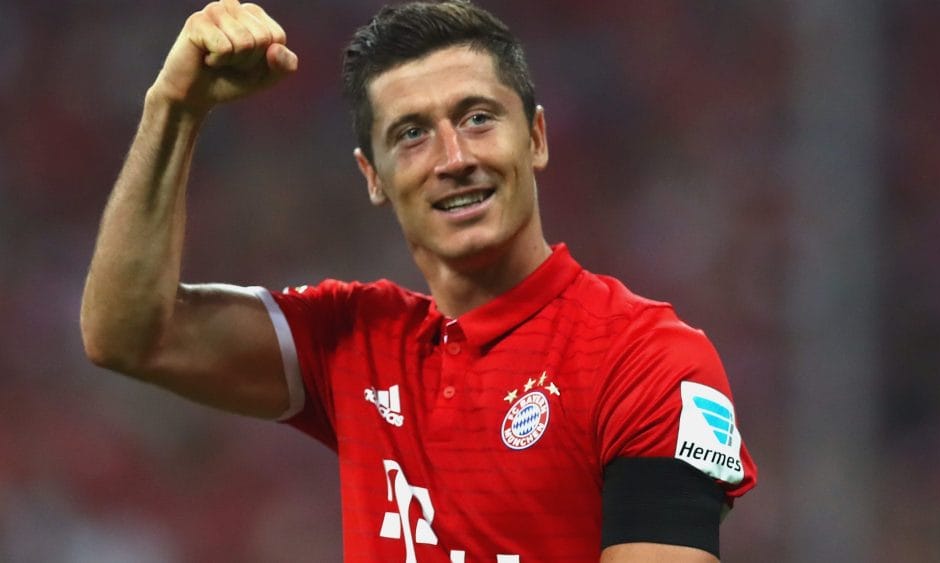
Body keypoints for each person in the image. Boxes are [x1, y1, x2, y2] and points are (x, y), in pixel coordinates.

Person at [80, 0, 757, 560]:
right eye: (411, 134)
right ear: (373, 177)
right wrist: (173, 108)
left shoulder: (648, 358)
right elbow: (130, 334)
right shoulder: (356, 341)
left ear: (538, 139)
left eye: (478, 118)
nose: (453, 158)